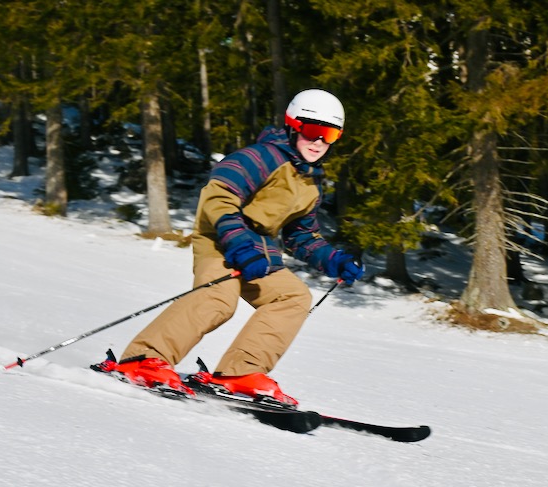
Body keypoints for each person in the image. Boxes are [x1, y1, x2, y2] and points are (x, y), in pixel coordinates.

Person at [94, 89, 362, 405]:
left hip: (258, 253)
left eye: (329, 134)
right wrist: (239, 244)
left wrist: (332, 259)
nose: (319, 141)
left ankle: (240, 373)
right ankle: (143, 359)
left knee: (293, 297)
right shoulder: (259, 157)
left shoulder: (309, 180)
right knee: (219, 299)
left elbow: (300, 234)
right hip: (220, 243)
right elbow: (218, 198)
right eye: (313, 131)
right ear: (293, 125)